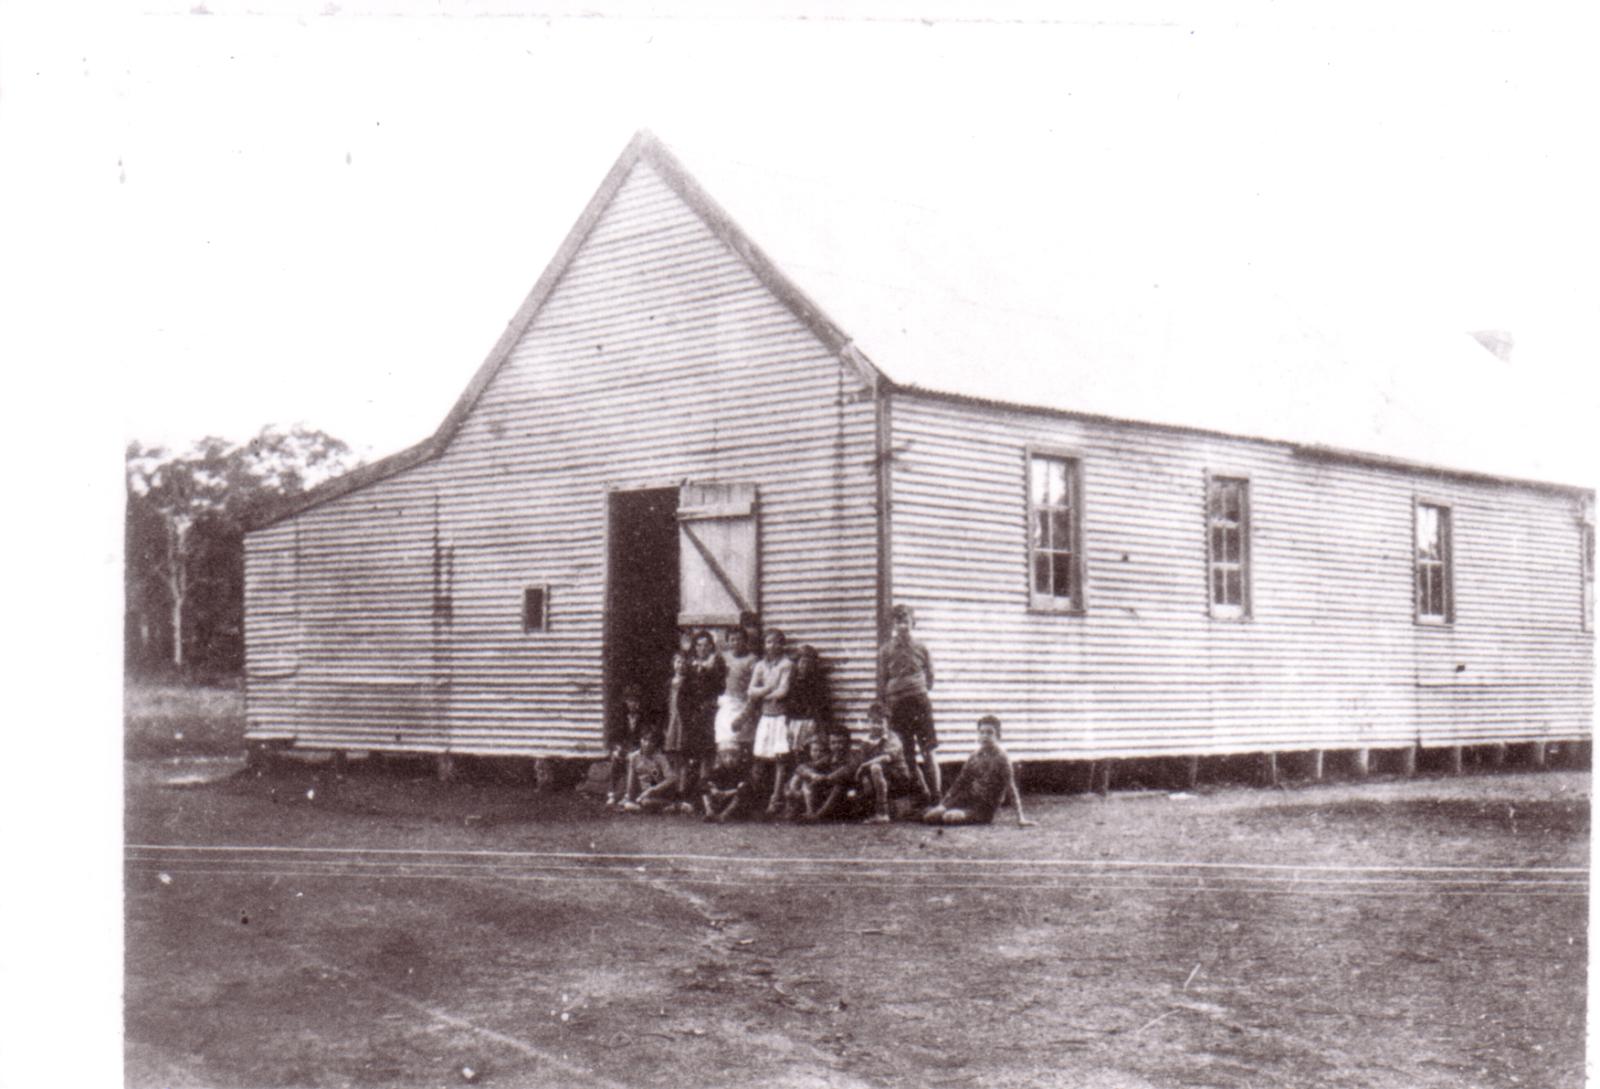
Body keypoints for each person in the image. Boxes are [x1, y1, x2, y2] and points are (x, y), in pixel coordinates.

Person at [923, 715, 1037, 827]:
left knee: (949, 817)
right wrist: (944, 803)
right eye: (981, 732)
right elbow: (960, 782)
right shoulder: (975, 755)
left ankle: (957, 814)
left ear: (998, 735)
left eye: (989, 733)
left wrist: (1020, 817)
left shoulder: (1002, 758)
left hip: (983, 807)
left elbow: (1011, 788)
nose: (985, 736)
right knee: (931, 816)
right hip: (967, 798)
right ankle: (925, 812)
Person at [879, 603, 941, 802]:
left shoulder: (922, 647)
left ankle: (936, 796)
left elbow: (930, 677)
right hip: (897, 705)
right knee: (906, 754)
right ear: (893, 625)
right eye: (898, 622)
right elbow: (882, 679)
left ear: (913, 623)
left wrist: (915, 688)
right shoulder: (886, 650)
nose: (902, 626)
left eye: (906, 621)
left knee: (928, 749)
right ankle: (921, 794)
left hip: (919, 703)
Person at [673, 629, 726, 808]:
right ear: (695, 647)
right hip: (691, 716)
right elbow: (682, 696)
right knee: (686, 756)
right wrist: (687, 716)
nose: (702, 648)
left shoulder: (716, 665)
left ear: (711, 647)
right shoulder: (690, 666)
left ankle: (705, 797)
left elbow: (720, 689)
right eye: (699, 645)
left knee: (706, 755)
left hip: (708, 715)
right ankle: (683, 796)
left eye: (706, 645)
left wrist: (710, 709)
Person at [745, 628, 795, 815]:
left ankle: (776, 799)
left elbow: (783, 691)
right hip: (765, 717)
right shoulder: (760, 666)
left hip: (780, 717)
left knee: (780, 759)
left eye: (776, 641)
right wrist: (769, 689)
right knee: (760, 758)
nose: (772, 645)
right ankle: (758, 800)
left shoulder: (786, 664)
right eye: (768, 642)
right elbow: (751, 691)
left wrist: (762, 693)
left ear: (782, 644)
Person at [856, 701, 913, 823]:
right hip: (878, 777)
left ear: (887, 724)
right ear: (868, 723)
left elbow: (886, 758)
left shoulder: (892, 738)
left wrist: (864, 766)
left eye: (880, 723)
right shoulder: (865, 741)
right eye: (873, 722)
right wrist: (864, 777)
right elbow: (862, 759)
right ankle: (872, 811)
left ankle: (883, 813)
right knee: (866, 777)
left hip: (898, 777)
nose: (876, 726)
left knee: (875, 767)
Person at [801, 728, 865, 821]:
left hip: (850, 794)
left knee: (839, 784)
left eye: (840, 742)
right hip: (831, 795)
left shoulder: (853, 757)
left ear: (848, 744)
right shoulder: (830, 758)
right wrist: (812, 775)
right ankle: (810, 812)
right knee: (808, 781)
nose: (836, 746)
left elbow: (846, 771)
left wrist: (825, 778)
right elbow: (802, 767)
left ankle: (818, 816)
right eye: (833, 743)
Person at [604, 683, 647, 808]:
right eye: (630, 701)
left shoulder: (643, 717)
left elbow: (646, 737)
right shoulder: (619, 717)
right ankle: (611, 794)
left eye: (635, 701)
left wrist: (637, 750)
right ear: (626, 702)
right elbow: (612, 737)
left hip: (637, 749)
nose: (633, 704)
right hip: (623, 748)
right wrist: (617, 748)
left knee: (633, 759)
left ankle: (628, 795)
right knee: (615, 759)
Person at [716, 626, 759, 750]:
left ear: (745, 641)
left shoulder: (752, 660)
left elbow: (755, 687)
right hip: (726, 704)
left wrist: (746, 713)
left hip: (743, 704)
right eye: (732, 639)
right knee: (725, 743)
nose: (736, 643)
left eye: (739, 639)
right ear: (728, 642)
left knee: (742, 741)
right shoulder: (723, 657)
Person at [784, 644, 830, 759]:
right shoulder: (791, 681)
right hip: (794, 721)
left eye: (809, 662)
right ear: (797, 663)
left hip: (810, 721)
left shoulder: (817, 682)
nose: (805, 666)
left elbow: (822, 705)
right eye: (802, 662)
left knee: (809, 750)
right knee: (792, 751)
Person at [780, 733, 835, 819]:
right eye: (814, 750)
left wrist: (812, 775)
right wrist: (812, 775)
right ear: (809, 751)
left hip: (821, 787)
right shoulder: (808, 762)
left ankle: (810, 811)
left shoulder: (826, 760)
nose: (818, 753)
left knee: (804, 779)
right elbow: (800, 769)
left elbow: (819, 773)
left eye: (821, 751)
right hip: (807, 789)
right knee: (798, 776)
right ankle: (792, 806)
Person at [621, 732, 675, 812]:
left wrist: (653, 790)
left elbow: (672, 778)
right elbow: (631, 780)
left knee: (645, 803)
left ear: (655, 743)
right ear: (640, 740)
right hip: (643, 792)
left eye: (651, 741)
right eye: (644, 740)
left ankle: (674, 805)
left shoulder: (660, 758)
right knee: (627, 803)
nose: (647, 744)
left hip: (658, 792)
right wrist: (630, 796)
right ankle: (665, 808)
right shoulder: (634, 757)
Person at [700, 744, 753, 823]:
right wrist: (713, 789)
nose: (729, 760)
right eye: (725, 756)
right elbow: (705, 781)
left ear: (739, 757)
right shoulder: (718, 771)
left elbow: (746, 785)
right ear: (721, 758)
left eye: (733, 756)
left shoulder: (742, 771)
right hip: (719, 798)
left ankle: (724, 815)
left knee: (743, 790)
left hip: (732, 800)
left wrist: (727, 793)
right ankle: (709, 812)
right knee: (704, 787)